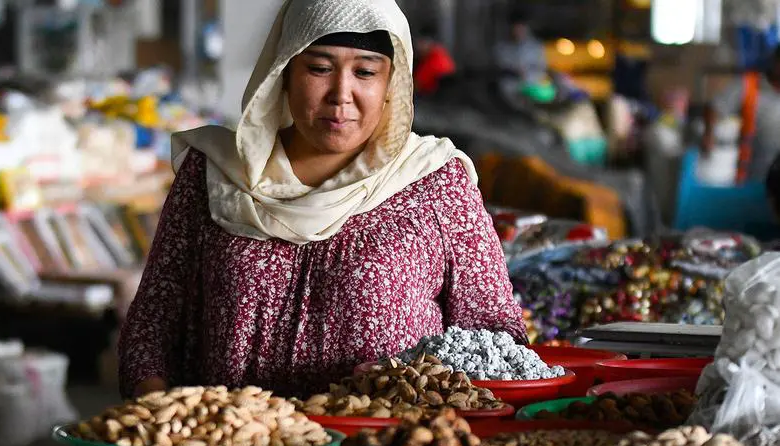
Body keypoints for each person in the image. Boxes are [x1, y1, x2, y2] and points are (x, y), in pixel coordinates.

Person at [118, 0, 525, 399]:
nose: (341, 95)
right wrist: (158, 414)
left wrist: (419, 380)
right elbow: (153, 321)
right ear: (283, 73)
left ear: (390, 85)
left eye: (365, 72)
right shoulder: (214, 174)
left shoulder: (434, 181)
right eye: (318, 68)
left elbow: (496, 334)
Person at [703, 47, 780, 184]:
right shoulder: (749, 85)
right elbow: (715, 107)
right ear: (775, 62)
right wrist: (709, 134)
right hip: (752, 173)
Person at [414, 28, 455, 96]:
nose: (418, 46)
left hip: (433, 99)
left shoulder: (435, 59)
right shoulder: (440, 53)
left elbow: (418, 84)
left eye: (421, 42)